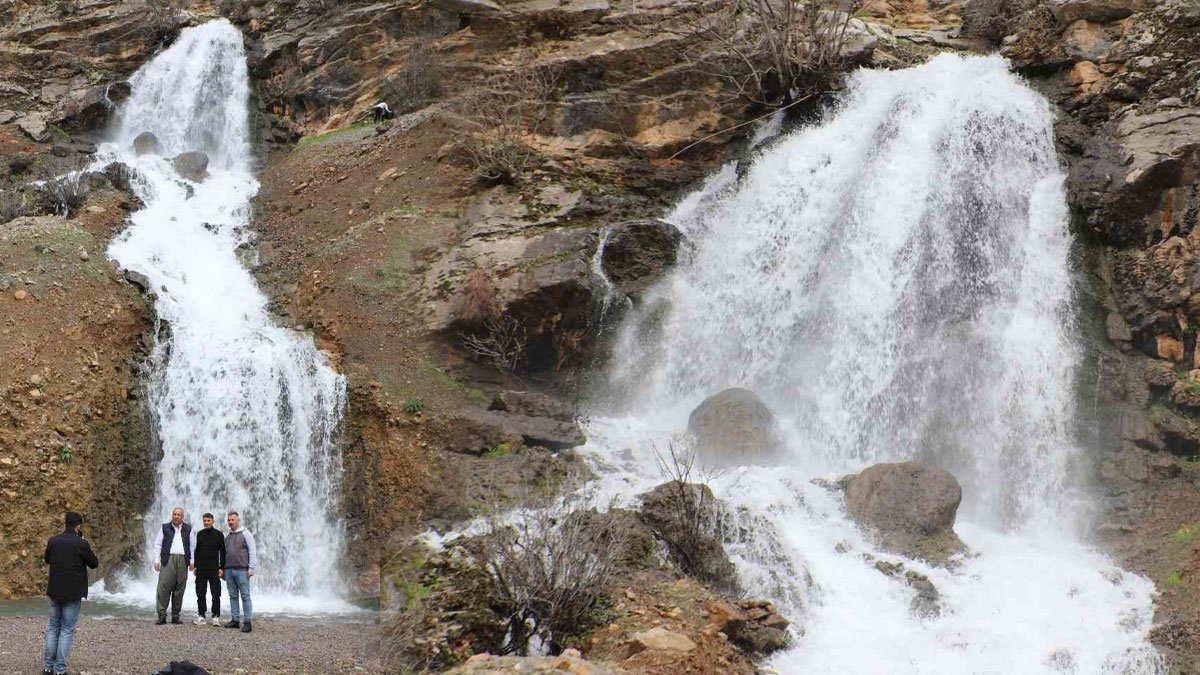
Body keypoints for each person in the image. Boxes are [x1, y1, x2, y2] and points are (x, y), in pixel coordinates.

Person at [43, 511, 98, 675]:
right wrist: (85, 543)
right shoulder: (81, 543)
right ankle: (60, 670)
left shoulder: (53, 541)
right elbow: (93, 563)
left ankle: (47, 668)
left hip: (55, 591)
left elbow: (47, 559)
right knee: (66, 630)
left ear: (65, 523)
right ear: (78, 526)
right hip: (73, 593)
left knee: (53, 628)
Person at [153, 506, 192, 625]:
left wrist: (192, 561)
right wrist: (156, 560)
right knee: (163, 587)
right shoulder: (165, 527)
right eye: (174, 514)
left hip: (182, 560)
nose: (176, 516)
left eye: (178, 514)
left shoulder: (188, 529)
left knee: (179, 588)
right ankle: (162, 615)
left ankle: (175, 616)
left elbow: (192, 546)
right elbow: (158, 544)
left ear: (182, 516)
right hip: (168, 558)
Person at [222, 511, 257, 633]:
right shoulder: (228, 536)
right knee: (233, 596)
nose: (230, 522)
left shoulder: (246, 534)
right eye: (229, 520)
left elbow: (252, 551)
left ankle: (247, 622)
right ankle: (235, 620)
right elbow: (224, 553)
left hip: (242, 570)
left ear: (238, 520)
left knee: (245, 596)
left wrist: (251, 568)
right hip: (229, 570)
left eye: (233, 520)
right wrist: (223, 569)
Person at [189, 512, 225, 626]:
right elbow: (196, 551)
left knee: (216, 593)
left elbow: (223, 552)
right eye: (204, 520)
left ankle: (216, 617)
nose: (206, 522)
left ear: (213, 521)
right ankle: (201, 616)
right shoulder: (200, 534)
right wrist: (195, 565)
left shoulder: (219, 534)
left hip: (214, 568)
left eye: (208, 520)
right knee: (200, 593)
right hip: (201, 569)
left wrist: (221, 567)